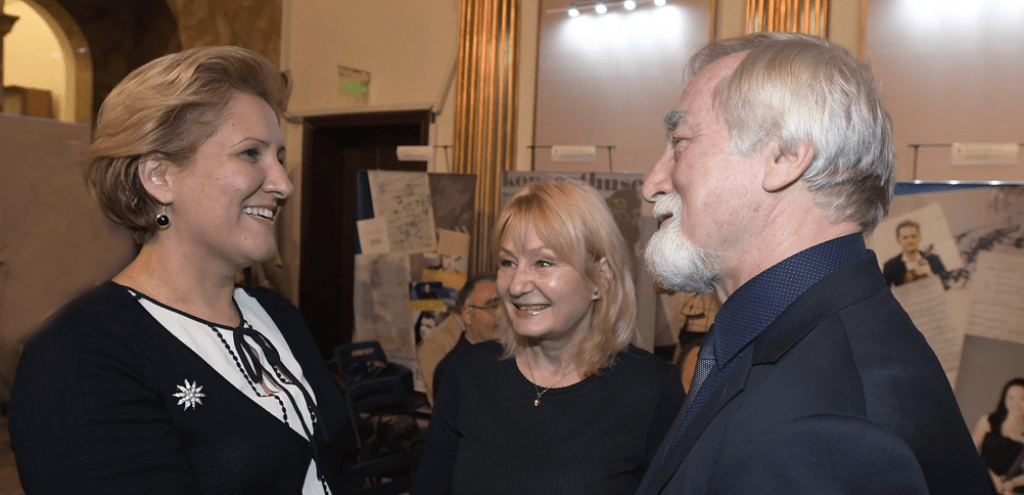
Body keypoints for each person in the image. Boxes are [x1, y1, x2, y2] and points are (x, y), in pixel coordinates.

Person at [636, 32, 989, 495]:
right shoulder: (799, 343)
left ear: (785, 156)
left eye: (680, 142)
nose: (652, 183)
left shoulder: (829, 426)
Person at [9, 46, 353, 494]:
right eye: (251, 154)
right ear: (159, 177)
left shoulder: (278, 316)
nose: (283, 185)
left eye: (280, 158)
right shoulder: (79, 355)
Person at [412, 179, 685, 495]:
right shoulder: (469, 372)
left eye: (543, 262)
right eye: (508, 262)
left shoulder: (651, 390)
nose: (516, 286)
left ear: (600, 278)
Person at [415, 273, 499, 405]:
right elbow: (443, 405)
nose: (502, 315)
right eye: (493, 307)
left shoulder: (492, 339)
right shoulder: (433, 346)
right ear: (467, 314)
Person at [973, 378, 1024, 494]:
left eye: (1023, 399)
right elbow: (970, 452)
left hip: (1007, 488)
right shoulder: (988, 421)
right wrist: (991, 476)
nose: (1016, 404)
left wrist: (1012, 484)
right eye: (1011, 398)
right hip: (981, 479)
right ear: (1004, 398)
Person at [882, 219, 947, 287]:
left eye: (913, 236)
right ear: (898, 241)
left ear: (919, 238)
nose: (910, 240)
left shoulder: (934, 259)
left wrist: (931, 275)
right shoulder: (890, 266)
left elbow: (948, 285)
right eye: (905, 237)